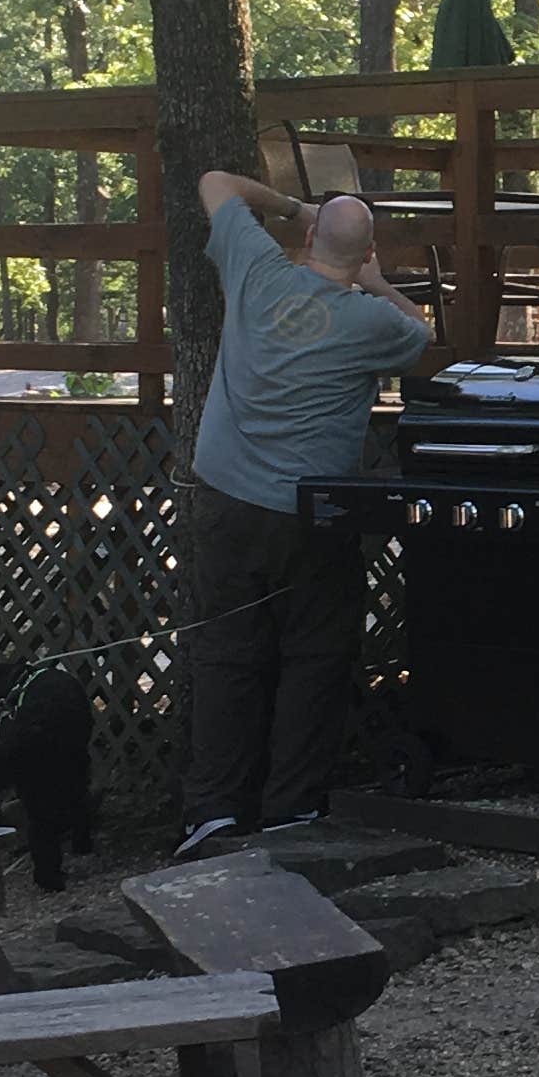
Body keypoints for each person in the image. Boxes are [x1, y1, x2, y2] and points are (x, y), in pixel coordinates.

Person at [174, 168, 432, 858]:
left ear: (311, 235)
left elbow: (215, 182)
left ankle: (213, 812)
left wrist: (292, 206)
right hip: (308, 509)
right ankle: (292, 808)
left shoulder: (256, 269)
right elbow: (423, 332)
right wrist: (376, 283)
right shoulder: (372, 321)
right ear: (368, 251)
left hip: (225, 497)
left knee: (226, 651)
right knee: (314, 655)